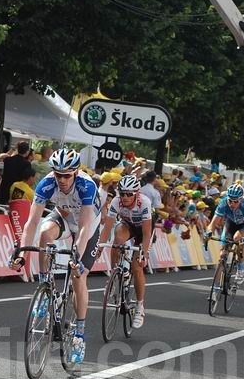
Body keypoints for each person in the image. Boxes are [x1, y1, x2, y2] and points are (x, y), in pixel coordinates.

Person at [10, 148, 102, 365]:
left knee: (79, 276)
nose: (61, 179)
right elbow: (31, 222)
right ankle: (44, 286)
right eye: (57, 174)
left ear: (76, 172)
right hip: (64, 217)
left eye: (66, 175)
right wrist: (22, 252)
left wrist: (76, 257)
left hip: (87, 227)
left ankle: (79, 332)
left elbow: (84, 227)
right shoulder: (47, 183)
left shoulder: (86, 186)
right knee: (44, 232)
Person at [99, 175, 153, 329]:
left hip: (143, 230)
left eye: (129, 194)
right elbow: (107, 227)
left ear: (136, 193)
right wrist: (100, 246)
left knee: (137, 267)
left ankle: (140, 307)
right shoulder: (116, 202)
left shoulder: (145, 203)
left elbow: (147, 234)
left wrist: (144, 252)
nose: (125, 197)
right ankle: (115, 276)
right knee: (117, 240)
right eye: (122, 193)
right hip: (127, 225)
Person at [204, 183, 244, 284]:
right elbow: (212, 224)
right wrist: (209, 232)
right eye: (229, 200)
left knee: (237, 237)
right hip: (231, 222)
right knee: (222, 253)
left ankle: (240, 267)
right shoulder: (223, 203)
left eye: (235, 201)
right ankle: (215, 288)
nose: (232, 204)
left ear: (240, 200)